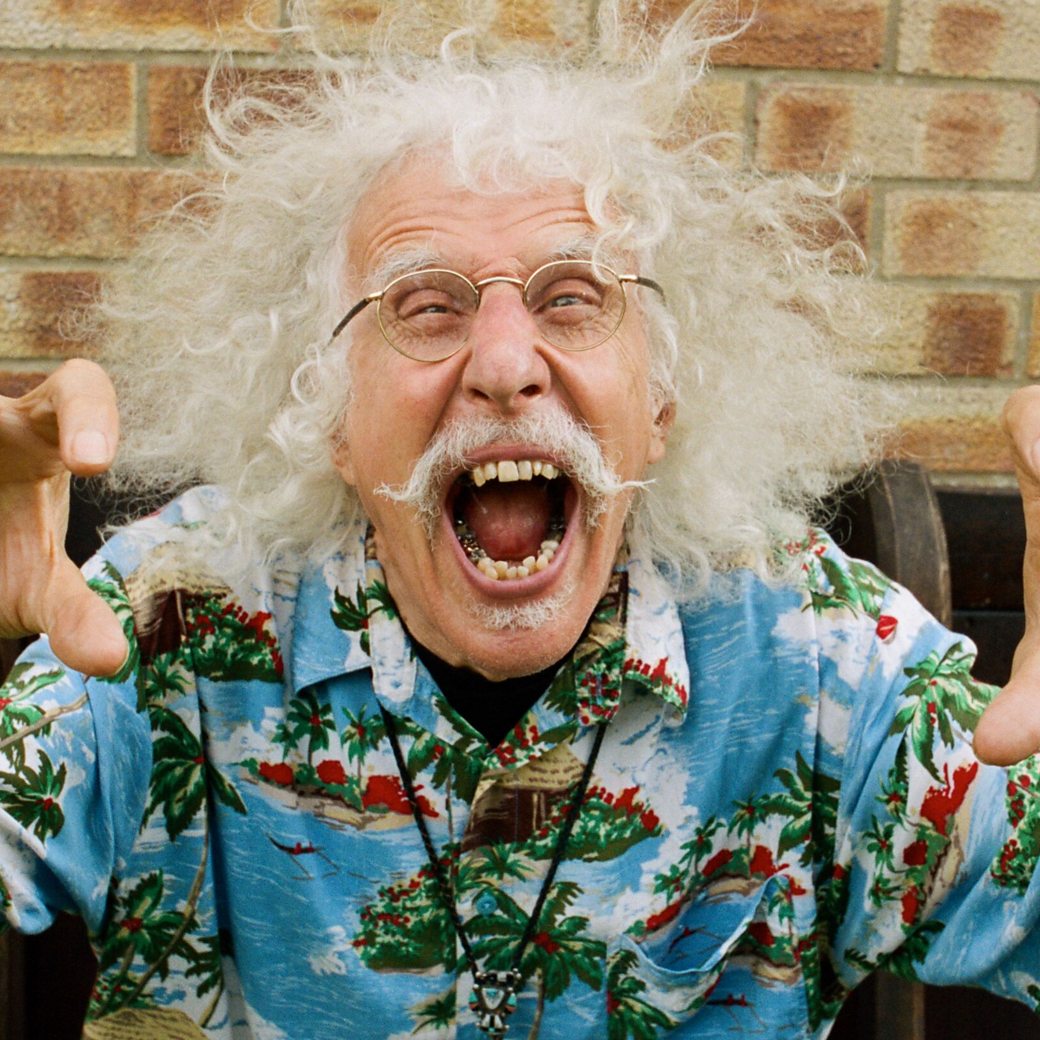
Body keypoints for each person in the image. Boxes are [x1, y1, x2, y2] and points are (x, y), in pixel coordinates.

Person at [2, 4, 1040, 1038]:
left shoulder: (814, 651)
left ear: (660, 401)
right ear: (330, 417)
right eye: (426, 305)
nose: (504, 364)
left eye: (571, 297)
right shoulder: (171, 619)